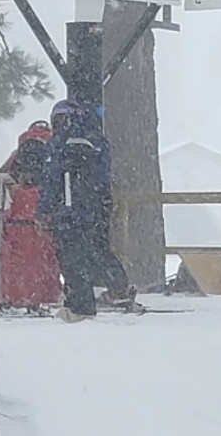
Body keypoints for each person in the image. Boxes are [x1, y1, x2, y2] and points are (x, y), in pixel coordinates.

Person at [38, 99, 132, 321]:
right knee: (98, 249)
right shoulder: (97, 140)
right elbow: (103, 175)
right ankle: (118, 286)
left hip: (66, 212)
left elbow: (51, 180)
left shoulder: (58, 144)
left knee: (71, 259)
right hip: (94, 210)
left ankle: (79, 305)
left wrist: (43, 211)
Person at [0, 120, 61, 308]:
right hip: (42, 215)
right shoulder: (55, 147)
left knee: (16, 261)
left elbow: (3, 172)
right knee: (45, 259)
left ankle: (13, 296)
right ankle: (45, 296)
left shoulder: (19, 151)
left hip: (17, 215)